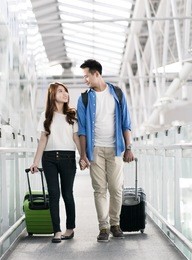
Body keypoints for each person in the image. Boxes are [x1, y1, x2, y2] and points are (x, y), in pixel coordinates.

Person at [76, 59, 134, 242]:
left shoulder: (116, 93)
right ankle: (103, 227)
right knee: (99, 189)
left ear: (96, 74)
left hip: (116, 148)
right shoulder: (84, 98)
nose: (85, 79)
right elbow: (82, 129)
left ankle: (115, 223)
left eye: (86, 76)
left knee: (116, 188)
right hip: (95, 150)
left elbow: (126, 123)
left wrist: (129, 148)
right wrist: (83, 155)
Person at [29, 82, 81, 243]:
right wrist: (35, 162)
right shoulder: (46, 115)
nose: (65, 93)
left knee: (67, 193)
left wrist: (83, 157)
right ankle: (56, 231)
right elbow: (43, 139)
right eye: (60, 91)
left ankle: (70, 228)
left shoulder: (72, 115)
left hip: (68, 157)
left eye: (66, 91)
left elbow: (76, 138)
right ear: (53, 95)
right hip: (49, 158)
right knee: (53, 195)